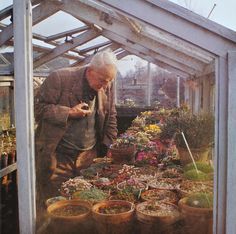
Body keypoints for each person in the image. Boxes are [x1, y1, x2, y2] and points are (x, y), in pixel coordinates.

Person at [34, 50, 118, 200]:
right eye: (103, 80)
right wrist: (68, 112)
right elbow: (37, 109)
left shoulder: (107, 83)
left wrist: (109, 146)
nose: (106, 86)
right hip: (59, 158)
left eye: (110, 80)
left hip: (88, 157)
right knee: (55, 201)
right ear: (90, 71)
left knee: (85, 200)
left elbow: (110, 115)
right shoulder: (60, 78)